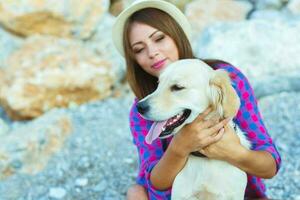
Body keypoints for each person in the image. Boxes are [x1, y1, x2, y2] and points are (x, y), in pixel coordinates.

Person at [112, 0, 281, 199]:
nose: (152, 52)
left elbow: (270, 166)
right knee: (135, 193)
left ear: (177, 35)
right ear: (134, 60)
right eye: (139, 49)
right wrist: (180, 147)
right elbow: (156, 183)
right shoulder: (143, 108)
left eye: (159, 38)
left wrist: (234, 152)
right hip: (172, 191)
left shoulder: (225, 80)